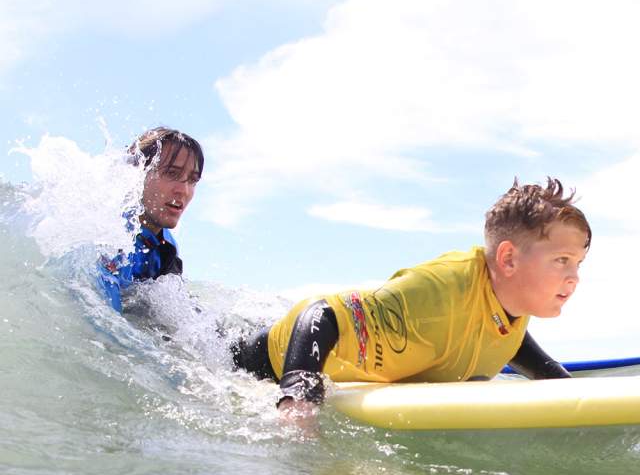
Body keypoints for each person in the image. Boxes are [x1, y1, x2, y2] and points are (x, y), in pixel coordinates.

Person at [232, 178, 591, 419]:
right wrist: (298, 401)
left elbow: (508, 339)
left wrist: (565, 390)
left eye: (578, 262)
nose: (574, 277)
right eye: (561, 261)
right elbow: (322, 315)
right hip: (256, 365)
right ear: (509, 259)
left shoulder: (510, 300)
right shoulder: (436, 295)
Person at [98, 127, 204, 312]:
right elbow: (105, 318)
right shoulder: (112, 235)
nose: (184, 191)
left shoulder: (166, 246)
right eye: (172, 174)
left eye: (192, 180)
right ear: (137, 174)